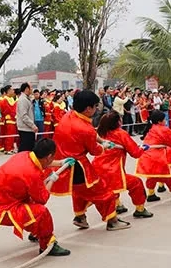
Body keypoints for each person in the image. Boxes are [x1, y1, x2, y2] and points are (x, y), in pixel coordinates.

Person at [0, 138, 73, 256]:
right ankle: (47, 245)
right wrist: (53, 179)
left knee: (36, 192)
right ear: (49, 156)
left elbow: (42, 164)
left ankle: (37, 231)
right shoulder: (31, 173)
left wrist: (60, 163)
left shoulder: (24, 155)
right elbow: (42, 199)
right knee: (41, 212)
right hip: (3, 208)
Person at [51, 90, 131, 231]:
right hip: (79, 166)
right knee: (103, 191)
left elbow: (91, 134)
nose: (96, 109)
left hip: (64, 163)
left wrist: (102, 140)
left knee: (80, 192)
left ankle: (80, 217)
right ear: (88, 108)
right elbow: (95, 150)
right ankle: (112, 220)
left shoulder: (68, 116)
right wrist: (104, 147)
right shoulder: (85, 128)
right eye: (95, 106)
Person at [95, 111, 154, 218]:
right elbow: (135, 153)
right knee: (136, 183)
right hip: (112, 171)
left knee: (102, 190)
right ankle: (140, 209)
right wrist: (143, 149)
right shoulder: (121, 133)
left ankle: (118, 205)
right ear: (118, 122)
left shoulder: (101, 133)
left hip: (96, 168)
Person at [137, 110, 171, 205]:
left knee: (152, 176)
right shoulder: (164, 129)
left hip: (146, 157)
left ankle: (151, 194)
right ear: (159, 121)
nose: (165, 121)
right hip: (157, 157)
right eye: (164, 119)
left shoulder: (150, 129)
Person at [16, 83, 37, 153]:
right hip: (25, 129)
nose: (32, 90)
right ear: (26, 89)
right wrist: (32, 125)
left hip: (28, 129)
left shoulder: (27, 99)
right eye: (31, 88)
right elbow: (24, 116)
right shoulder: (23, 100)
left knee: (29, 149)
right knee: (25, 150)